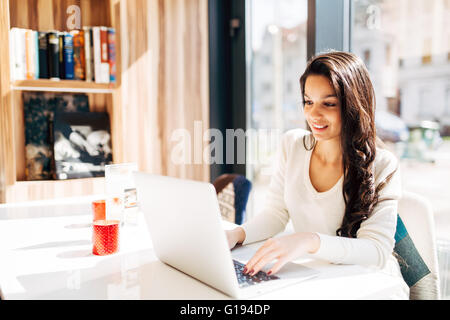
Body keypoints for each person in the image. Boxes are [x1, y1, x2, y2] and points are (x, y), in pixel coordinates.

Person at [226, 51, 409, 297]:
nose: (313, 114)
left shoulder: (383, 164)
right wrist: (237, 235)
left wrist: (309, 241)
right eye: (308, 101)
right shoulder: (292, 145)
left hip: (369, 285)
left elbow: (376, 252)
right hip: (316, 277)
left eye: (328, 103)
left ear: (354, 104)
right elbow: (276, 213)